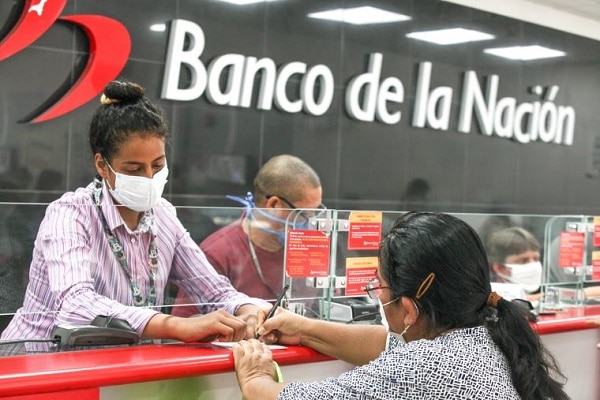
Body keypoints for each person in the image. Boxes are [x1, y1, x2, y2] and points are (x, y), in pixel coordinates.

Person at [1, 80, 270, 349]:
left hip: (122, 361)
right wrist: (174, 325)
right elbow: (77, 303)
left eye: (158, 165)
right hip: (40, 359)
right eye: (134, 169)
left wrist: (246, 309)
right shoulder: (70, 215)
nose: (149, 178)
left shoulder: (163, 216)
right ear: (102, 165)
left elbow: (214, 290)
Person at [232, 212, 569, 400]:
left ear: (408, 309)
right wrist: (305, 329)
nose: (377, 294)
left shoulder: (424, 366)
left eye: (379, 285)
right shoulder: (491, 334)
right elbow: (389, 345)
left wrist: (255, 375)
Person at [172, 154, 324, 317]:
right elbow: (186, 324)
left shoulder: (307, 249)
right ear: (273, 205)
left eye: (316, 212)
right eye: (304, 214)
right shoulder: (217, 253)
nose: (310, 222)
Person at [485, 226, 543, 302]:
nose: (533, 266)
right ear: (499, 268)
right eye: (523, 261)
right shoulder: (485, 291)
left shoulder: (544, 288)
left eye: (536, 259)